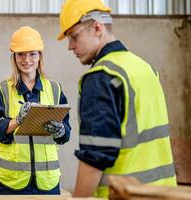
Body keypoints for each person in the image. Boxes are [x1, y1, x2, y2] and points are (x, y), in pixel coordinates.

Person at [57, 0, 177, 198]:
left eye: (74, 36)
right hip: (165, 192)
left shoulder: (101, 77)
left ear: (97, 27)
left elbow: (95, 156)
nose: (70, 46)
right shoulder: (144, 68)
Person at [0, 26, 71, 195]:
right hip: (11, 182)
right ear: (14, 57)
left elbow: (66, 133)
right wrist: (17, 120)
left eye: (32, 53)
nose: (27, 59)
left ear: (40, 56)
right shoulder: (3, 90)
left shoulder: (55, 90)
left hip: (46, 181)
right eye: (21, 54)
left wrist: (60, 131)